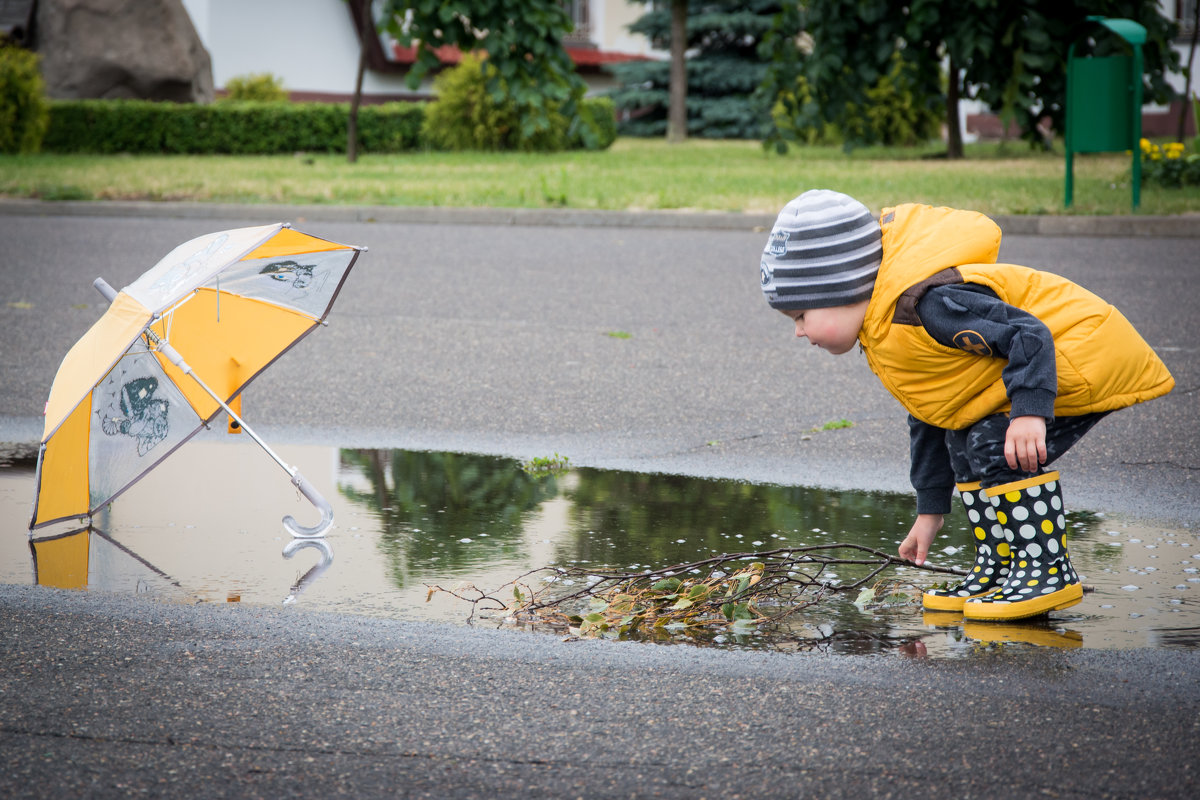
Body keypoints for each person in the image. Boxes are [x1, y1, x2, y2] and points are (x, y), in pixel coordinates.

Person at [759, 190, 1174, 622]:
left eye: (801, 316)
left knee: (993, 443)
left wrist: (1028, 411)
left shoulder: (929, 305)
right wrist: (930, 509)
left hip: (1081, 356)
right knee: (964, 438)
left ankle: (1046, 571)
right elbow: (935, 410)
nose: (799, 332)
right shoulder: (883, 329)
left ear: (841, 287)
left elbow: (1029, 335)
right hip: (1035, 370)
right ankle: (1001, 569)